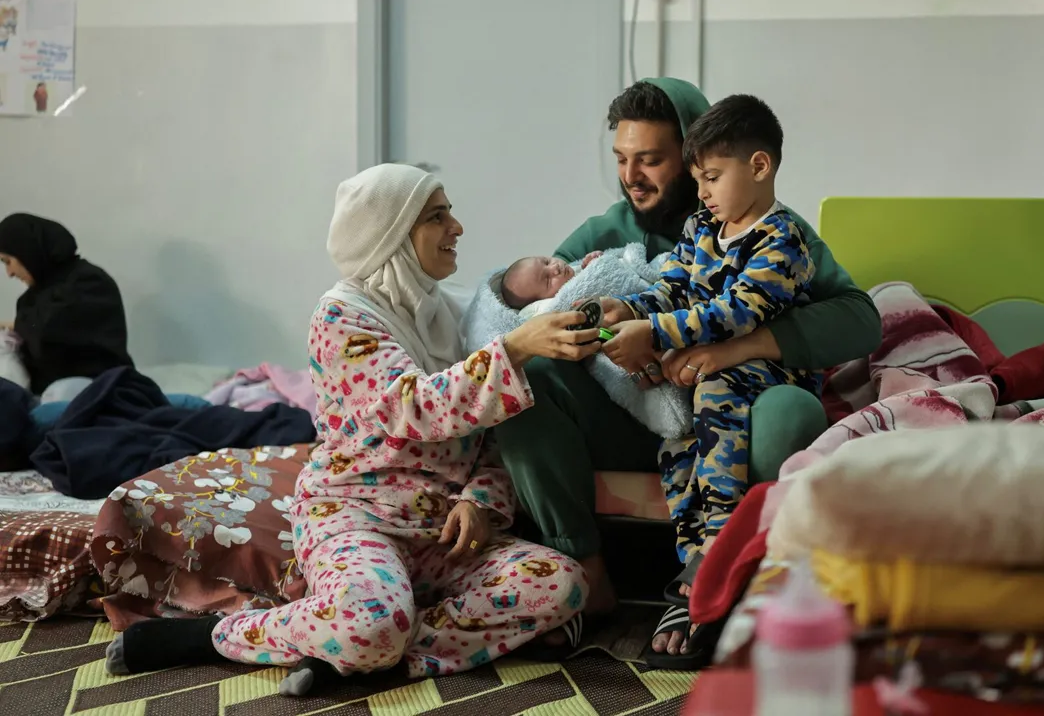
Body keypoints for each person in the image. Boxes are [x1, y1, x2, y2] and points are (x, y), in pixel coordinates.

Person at [103, 164, 601, 695]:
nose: (457, 227)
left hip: (440, 532)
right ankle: (214, 637)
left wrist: (480, 501)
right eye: (437, 216)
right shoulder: (341, 318)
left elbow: (492, 436)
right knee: (372, 621)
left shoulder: (454, 312)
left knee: (561, 583)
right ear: (392, 235)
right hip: (355, 518)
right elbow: (412, 406)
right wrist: (519, 347)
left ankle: (364, 653)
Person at [494, 77, 883, 663]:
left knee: (778, 408)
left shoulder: (775, 231)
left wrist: (740, 347)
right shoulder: (605, 234)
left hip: (725, 402)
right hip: (629, 411)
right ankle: (585, 578)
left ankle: (721, 570)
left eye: (652, 159)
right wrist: (609, 333)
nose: (633, 175)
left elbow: (859, 320)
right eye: (623, 159)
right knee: (522, 386)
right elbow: (541, 320)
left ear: (695, 153)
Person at [598, 94, 822, 665]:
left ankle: (719, 549)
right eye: (697, 178)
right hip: (703, 368)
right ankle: (695, 559)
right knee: (674, 429)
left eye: (712, 177)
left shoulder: (783, 240)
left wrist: (656, 332)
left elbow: (737, 312)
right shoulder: (703, 226)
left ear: (759, 167)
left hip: (766, 371)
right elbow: (674, 287)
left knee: (718, 391)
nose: (702, 192)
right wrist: (630, 312)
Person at [0, 213, 133, 397]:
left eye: (8, 261)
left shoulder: (90, 283)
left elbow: (49, 332)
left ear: (27, 251)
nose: (9, 273)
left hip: (102, 388)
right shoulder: (29, 300)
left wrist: (13, 326)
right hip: (42, 397)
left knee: (59, 396)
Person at [500, 251, 604, 310]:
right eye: (548, 280)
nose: (555, 268)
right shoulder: (569, 305)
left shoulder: (579, 268)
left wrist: (595, 261)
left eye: (547, 262)